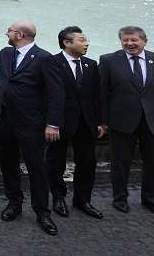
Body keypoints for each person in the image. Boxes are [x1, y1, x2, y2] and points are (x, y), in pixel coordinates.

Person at [0, 21, 63, 236]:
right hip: (4, 119)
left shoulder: (45, 58)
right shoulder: (6, 53)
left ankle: (42, 212)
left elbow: (56, 93)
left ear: (19, 34)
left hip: (32, 123)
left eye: (9, 30)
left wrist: (53, 123)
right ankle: (14, 203)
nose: (6, 32)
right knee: (8, 164)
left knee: (37, 168)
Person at [99, 26, 154, 217]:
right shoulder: (108, 61)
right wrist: (102, 121)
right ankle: (119, 199)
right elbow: (101, 95)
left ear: (145, 41)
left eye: (134, 40)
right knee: (120, 163)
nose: (129, 44)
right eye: (125, 40)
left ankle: (151, 200)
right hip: (121, 122)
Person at [43, 26, 104, 220]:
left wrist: (101, 122)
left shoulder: (91, 64)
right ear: (67, 43)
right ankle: (58, 198)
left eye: (86, 39)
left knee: (87, 163)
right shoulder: (51, 62)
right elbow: (48, 95)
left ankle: (83, 200)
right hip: (60, 124)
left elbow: (97, 96)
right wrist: (51, 123)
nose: (86, 43)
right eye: (82, 39)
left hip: (86, 124)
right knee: (56, 163)